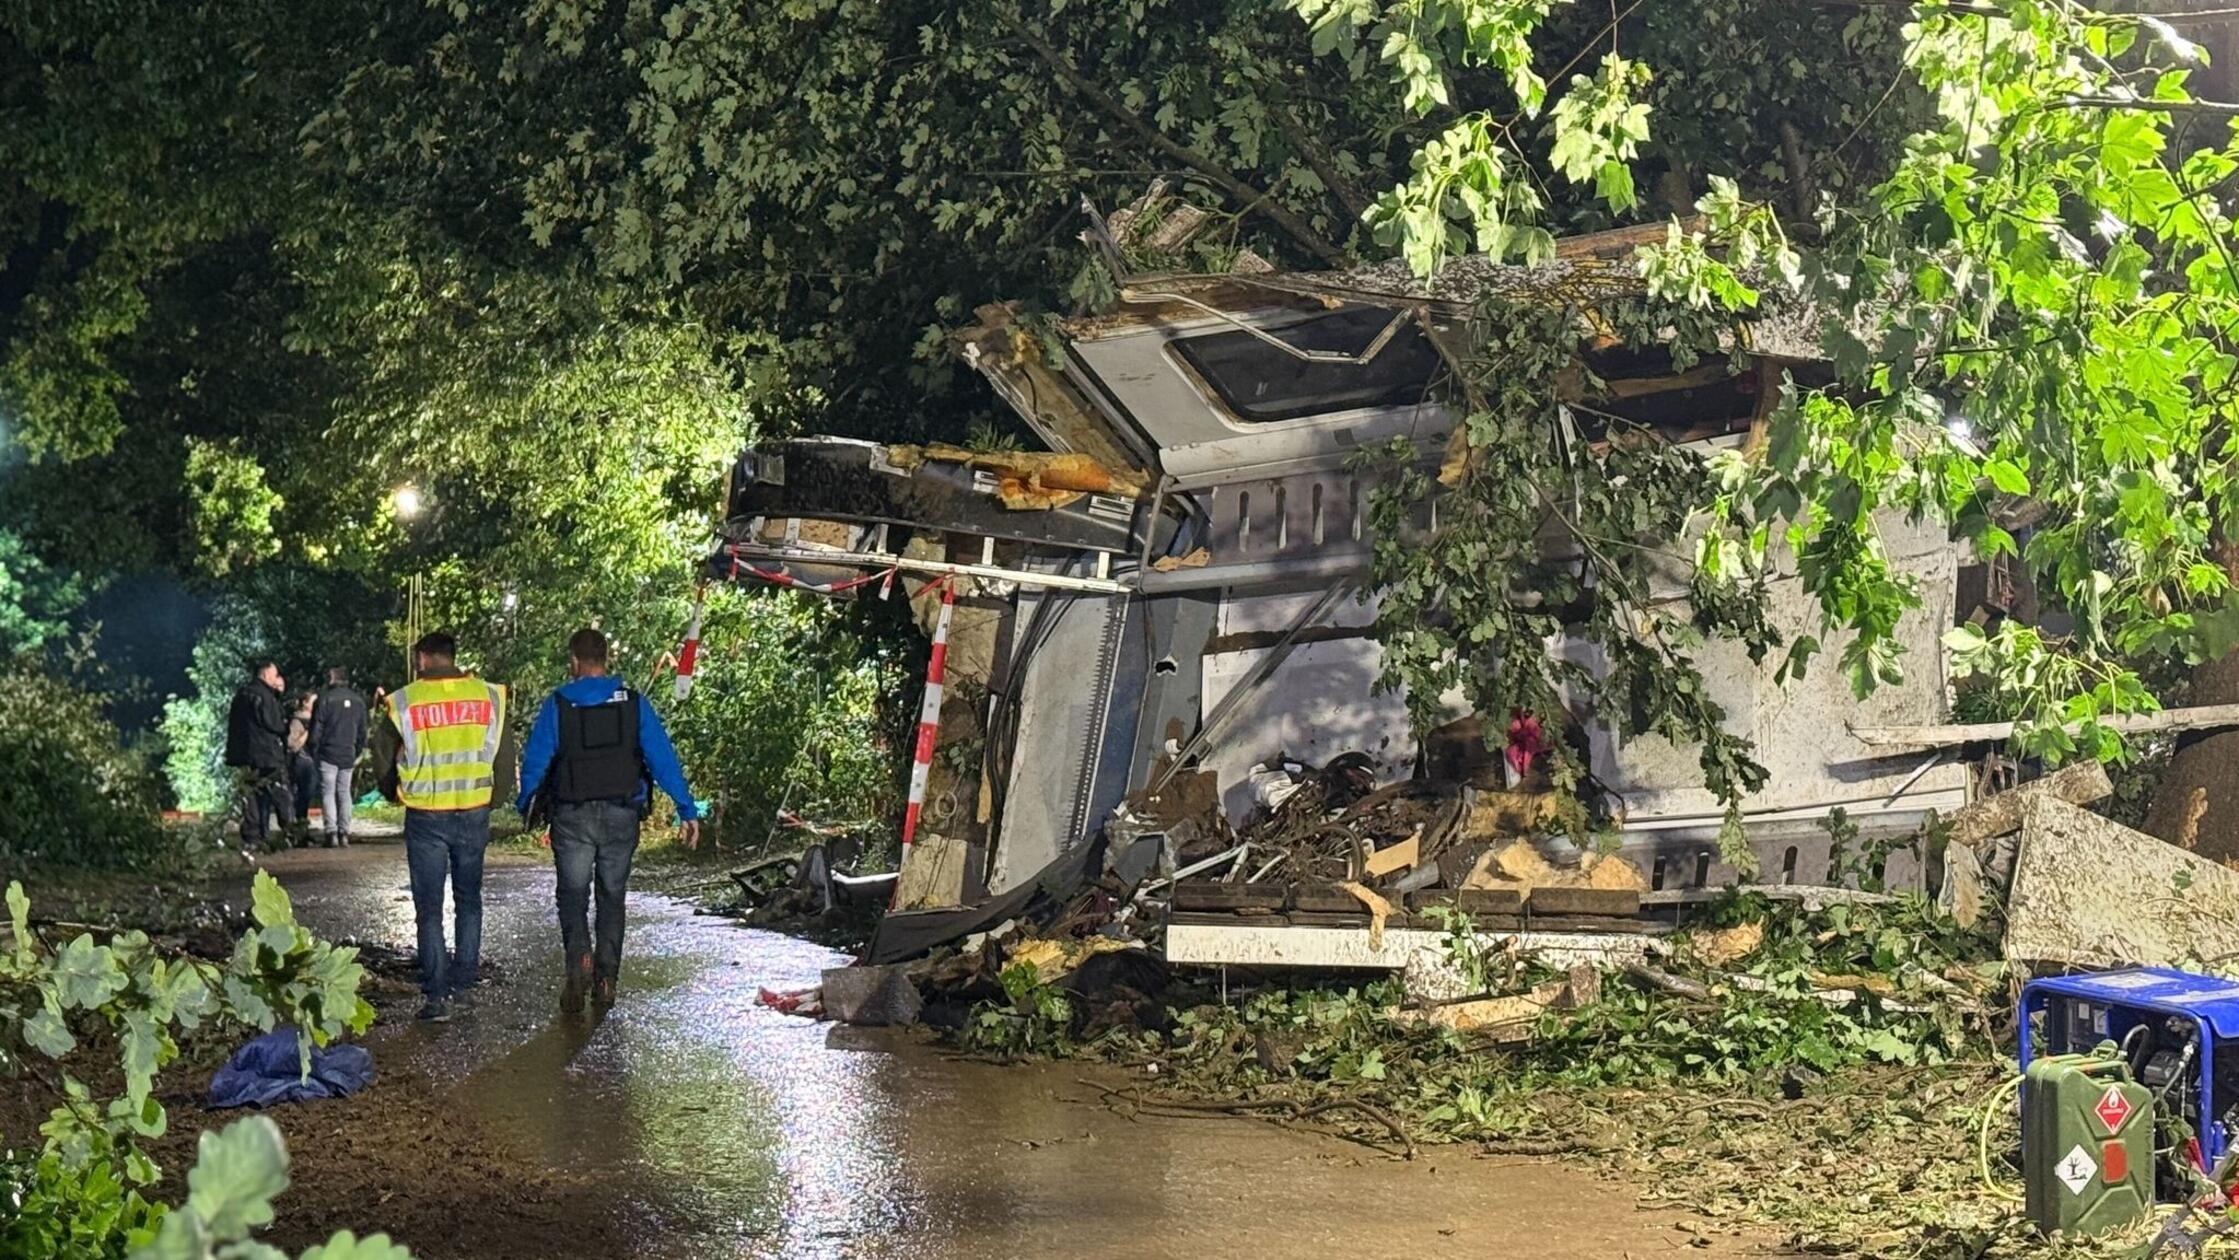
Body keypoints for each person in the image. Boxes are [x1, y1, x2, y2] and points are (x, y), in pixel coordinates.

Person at [516, 627, 701, 1014]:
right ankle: (606, 978)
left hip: (572, 816)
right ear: (605, 659)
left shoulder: (559, 704)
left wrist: (526, 803)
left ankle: (580, 959)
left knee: (572, 894)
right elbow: (661, 757)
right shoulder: (633, 704)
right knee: (612, 896)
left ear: (574, 661)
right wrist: (686, 808)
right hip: (621, 815)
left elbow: (537, 759)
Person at [370, 632, 514, 1023]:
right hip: (472, 809)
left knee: (429, 908)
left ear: (422, 658)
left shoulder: (405, 700)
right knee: (469, 900)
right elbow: (503, 751)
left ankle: (436, 998)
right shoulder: (487, 696)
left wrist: (393, 792)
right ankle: (465, 987)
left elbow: (381, 751)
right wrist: (495, 796)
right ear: (452, 656)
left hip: (426, 815)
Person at [223, 660, 292, 853]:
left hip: (245, 754)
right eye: (274, 674)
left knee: (252, 795)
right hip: (267, 753)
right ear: (265, 674)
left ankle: (253, 835)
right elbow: (274, 724)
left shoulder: (242, 694)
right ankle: (290, 831)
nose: (277, 678)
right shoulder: (264, 696)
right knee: (280, 793)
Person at [308, 666, 369, 847]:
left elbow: (316, 728)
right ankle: (344, 832)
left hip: (328, 752)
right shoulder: (358, 701)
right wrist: (356, 750)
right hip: (347, 753)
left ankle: (331, 832)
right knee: (344, 792)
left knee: (328, 792)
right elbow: (362, 731)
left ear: (333, 679)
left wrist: (314, 749)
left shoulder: (324, 699)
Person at [286, 693, 318, 843]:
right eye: (313, 701)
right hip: (301, 762)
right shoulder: (297, 721)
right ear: (305, 703)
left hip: (312, 762)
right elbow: (292, 744)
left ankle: (302, 830)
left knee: (307, 797)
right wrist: (306, 734)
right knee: (301, 797)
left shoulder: (316, 720)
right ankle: (297, 831)